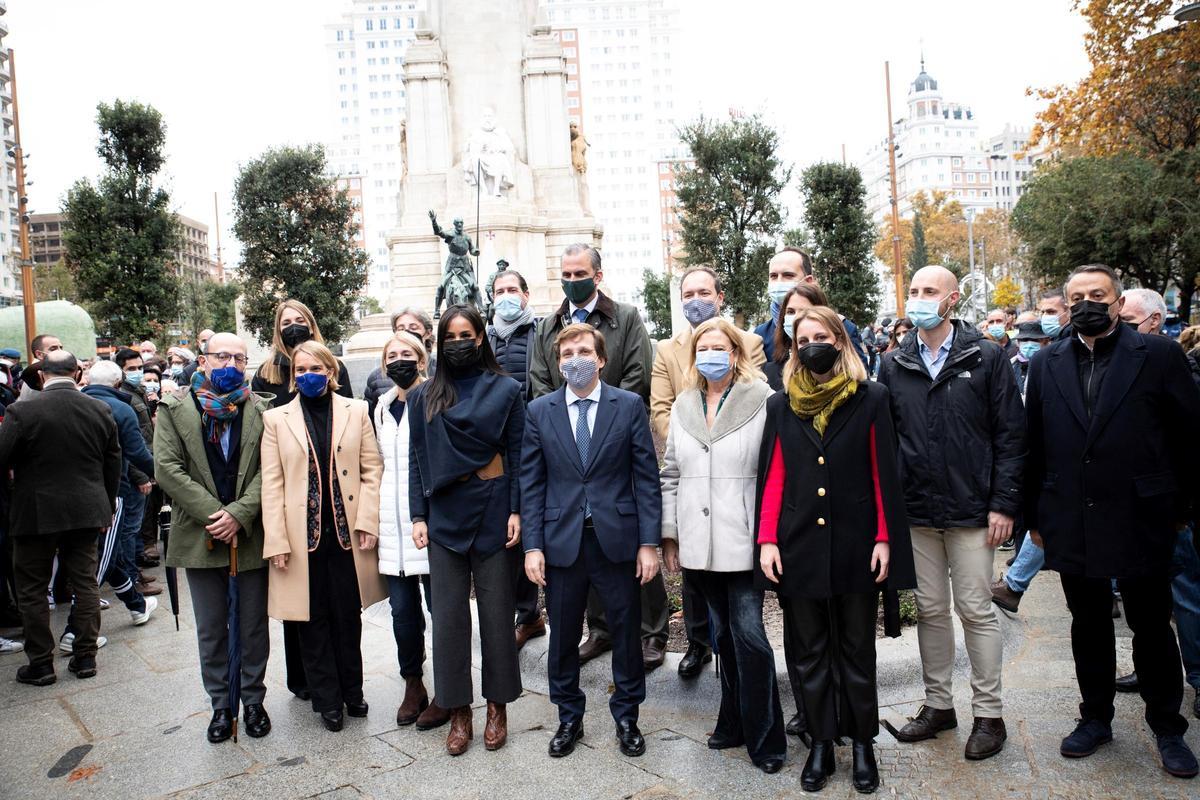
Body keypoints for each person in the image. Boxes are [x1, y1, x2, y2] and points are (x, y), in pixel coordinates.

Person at [1024, 264, 1200, 777]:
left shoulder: (1160, 356)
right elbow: (1033, 443)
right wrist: (1033, 514)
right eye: (1075, 296)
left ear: (1118, 303)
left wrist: (1183, 512)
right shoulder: (1047, 361)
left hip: (1144, 515)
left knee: (1150, 624)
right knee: (1089, 624)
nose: (1085, 304)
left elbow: (1189, 439)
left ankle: (1168, 727)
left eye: (1097, 294)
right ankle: (1095, 717)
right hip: (1072, 516)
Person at [757, 307, 916, 792]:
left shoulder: (871, 398)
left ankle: (863, 742)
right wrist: (766, 540)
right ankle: (822, 742)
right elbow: (774, 477)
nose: (811, 346)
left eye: (820, 337)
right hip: (798, 546)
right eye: (802, 340)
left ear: (840, 341)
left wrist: (885, 537)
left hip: (857, 547)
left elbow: (882, 473)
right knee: (808, 653)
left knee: (854, 651)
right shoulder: (781, 406)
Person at [878, 265, 1025, 761]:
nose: (918, 298)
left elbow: (1010, 435)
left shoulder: (986, 356)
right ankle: (939, 705)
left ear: (952, 299)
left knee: (976, 610)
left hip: (971, 510)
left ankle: (990, 715)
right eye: (913, 290)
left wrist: (1003, 503)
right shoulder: (894, 362)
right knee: (932, 611)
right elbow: (887, 439)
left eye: (928, 291)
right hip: (916, 511)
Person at [521, 322, 662, 760]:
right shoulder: (540, 411)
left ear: (600, 359)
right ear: (557, 362)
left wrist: (648, 542)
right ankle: (568, 717)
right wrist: (532, 546)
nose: (575, 360)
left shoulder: (628, 405)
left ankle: (627, 716)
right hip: (562, 543)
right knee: (563, 636)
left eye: (583, 351)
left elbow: (646, 477)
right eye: (566, 354)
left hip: (617, 540)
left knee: (624, 631)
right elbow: (531, 482)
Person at [527, 244, 667, 669]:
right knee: (579, 540)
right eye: (566, 274)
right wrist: (560, 415)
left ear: (597, 274)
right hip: (565, 432)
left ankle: (653, 631)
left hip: (615, 432)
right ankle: (600, 629)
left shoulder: (623, 316)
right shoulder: (550, 324)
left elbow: (638, 373)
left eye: (580, 272)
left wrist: (608, 408)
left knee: (624, 532)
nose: (573, 280)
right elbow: (538, 378)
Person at [659, 317, 785, 772]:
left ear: (735, 352)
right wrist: (669, 535)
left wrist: (771, 536)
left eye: (720, 346)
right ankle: (731, 720)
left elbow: (776, 472)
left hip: (745, 538)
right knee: (722, 637)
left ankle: (766, 736)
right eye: (703, 348)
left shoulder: (763, 400)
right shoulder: (684, 405)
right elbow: (670, 473)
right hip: (697, 542)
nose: (711, 355)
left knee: (750, 636)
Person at [408, 305, 524, 755]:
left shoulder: (508, 389)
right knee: (449, 622)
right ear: (440, 341)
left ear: (481, 338)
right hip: (443, 517)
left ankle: (497, 707)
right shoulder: (424, 396)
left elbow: (519, 456)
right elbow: (417, 461)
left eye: (466, 334)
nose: (459, 342)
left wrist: (516, 511)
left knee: (498, 617)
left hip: (495, 510)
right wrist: (418, 515)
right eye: (450, 335)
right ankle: (459, 712)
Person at [261, 340, 387, 733]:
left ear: (331, 373)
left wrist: (367, 520)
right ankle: (327, 700)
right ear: (293, 377)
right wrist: (277, 541)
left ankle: (353, 690)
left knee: (347, 618)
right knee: (312, 622)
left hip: (347, 538)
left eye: (316, 368)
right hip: (302, 540)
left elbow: (372, 469)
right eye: (300, 370)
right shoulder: (276, 419)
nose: (308, 375)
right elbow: (272, 485)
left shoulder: (357, 411)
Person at [154, 333, 272, 743]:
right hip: (200, 535)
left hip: (250, 535)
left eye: (240, 358)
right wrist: (215, 515)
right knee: (210, 627)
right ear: (203, 362)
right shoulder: (174, 409)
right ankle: (222, 705)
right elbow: (167, 469)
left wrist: (239, 514)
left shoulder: (260, 409)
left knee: (253, 624)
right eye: (222, 356)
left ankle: (253, 700)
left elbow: (269, 471)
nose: (231, 364)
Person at [651, 267, 766, 678]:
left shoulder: (754, 366)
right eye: (687, 293)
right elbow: (662, 413)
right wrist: (696, 438)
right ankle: (707, 665)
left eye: (703, 292)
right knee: (714, 615)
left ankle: (759, 725)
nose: (694, 299)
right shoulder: (670, 358)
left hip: (740, 513)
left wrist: (714, 441)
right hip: (696, 491)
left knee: (747, 629)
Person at [252, 298, 354, 702]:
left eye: (301, 321)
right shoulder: (267, 372)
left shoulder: (335, 368)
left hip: (329, 495)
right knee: (299, 604)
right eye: (287, 322)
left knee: (335, 603)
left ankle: (340, 682)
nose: (294, 327)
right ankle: (305, 680)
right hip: (291, 481)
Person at [0, 351, 121, 685]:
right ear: (77, 372)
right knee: (85, 583)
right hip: (87, 508)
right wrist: (106, 505)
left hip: (35, 512)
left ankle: (41, 663)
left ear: (42, 376)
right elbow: (113, 462)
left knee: (33, 588)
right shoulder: (100, 408)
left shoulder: (21, 411)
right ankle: (85, 657)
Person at [372, 332, 434, 728]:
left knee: (441, 609)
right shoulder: (379, 407)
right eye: (392, 355)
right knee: (402, 613)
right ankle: (413, 681)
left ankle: (449, 686)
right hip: (390, 525)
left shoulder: (434, 398)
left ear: (421, 359)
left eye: (406, 354)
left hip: (428, 523)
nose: (399, 360)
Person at [484, 269, 546, 649]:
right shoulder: (485, 337)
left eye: (512, 290)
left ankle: (532, 613)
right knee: (509, 530)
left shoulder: (539, 332)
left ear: (526, 294)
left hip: (535, 442)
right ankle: (526, 614)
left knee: (533, 526)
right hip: (498, 449)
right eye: (498, 291)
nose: (505, 296)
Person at [753, 248, 867, 366]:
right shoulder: (761, 335)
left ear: (808, 281)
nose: (779, 282)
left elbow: (860, 378)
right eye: (773, 276)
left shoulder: (842, 328)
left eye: (788, 275)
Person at [113, 348, 160, 597]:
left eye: (139, 367)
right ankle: (132, 580)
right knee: (130, 529)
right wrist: (142, 475)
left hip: (145, 462)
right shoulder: (122, 397)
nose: (138, 372)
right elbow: (127, 443)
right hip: (134, 472)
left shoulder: (139, 391)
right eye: (132, 368)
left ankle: (135, 573)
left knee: (136, 525)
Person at [363, 308, 436, 419]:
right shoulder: (376, 379)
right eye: (401, 329)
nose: (407, 333)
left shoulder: (442, 371)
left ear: (428, 332)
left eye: (413, 328)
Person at [764, 283, 830, 392]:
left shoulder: (837, 369)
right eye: (790, 312)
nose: (796, 318)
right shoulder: (769, 372)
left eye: (805, 311)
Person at [1010, 321, 1050, 397]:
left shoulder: (1050, 365)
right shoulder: (1011, 364)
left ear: (1045, 342)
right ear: (1018, 343)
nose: (1029, 344)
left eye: (1035, 340)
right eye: (1024, 340)